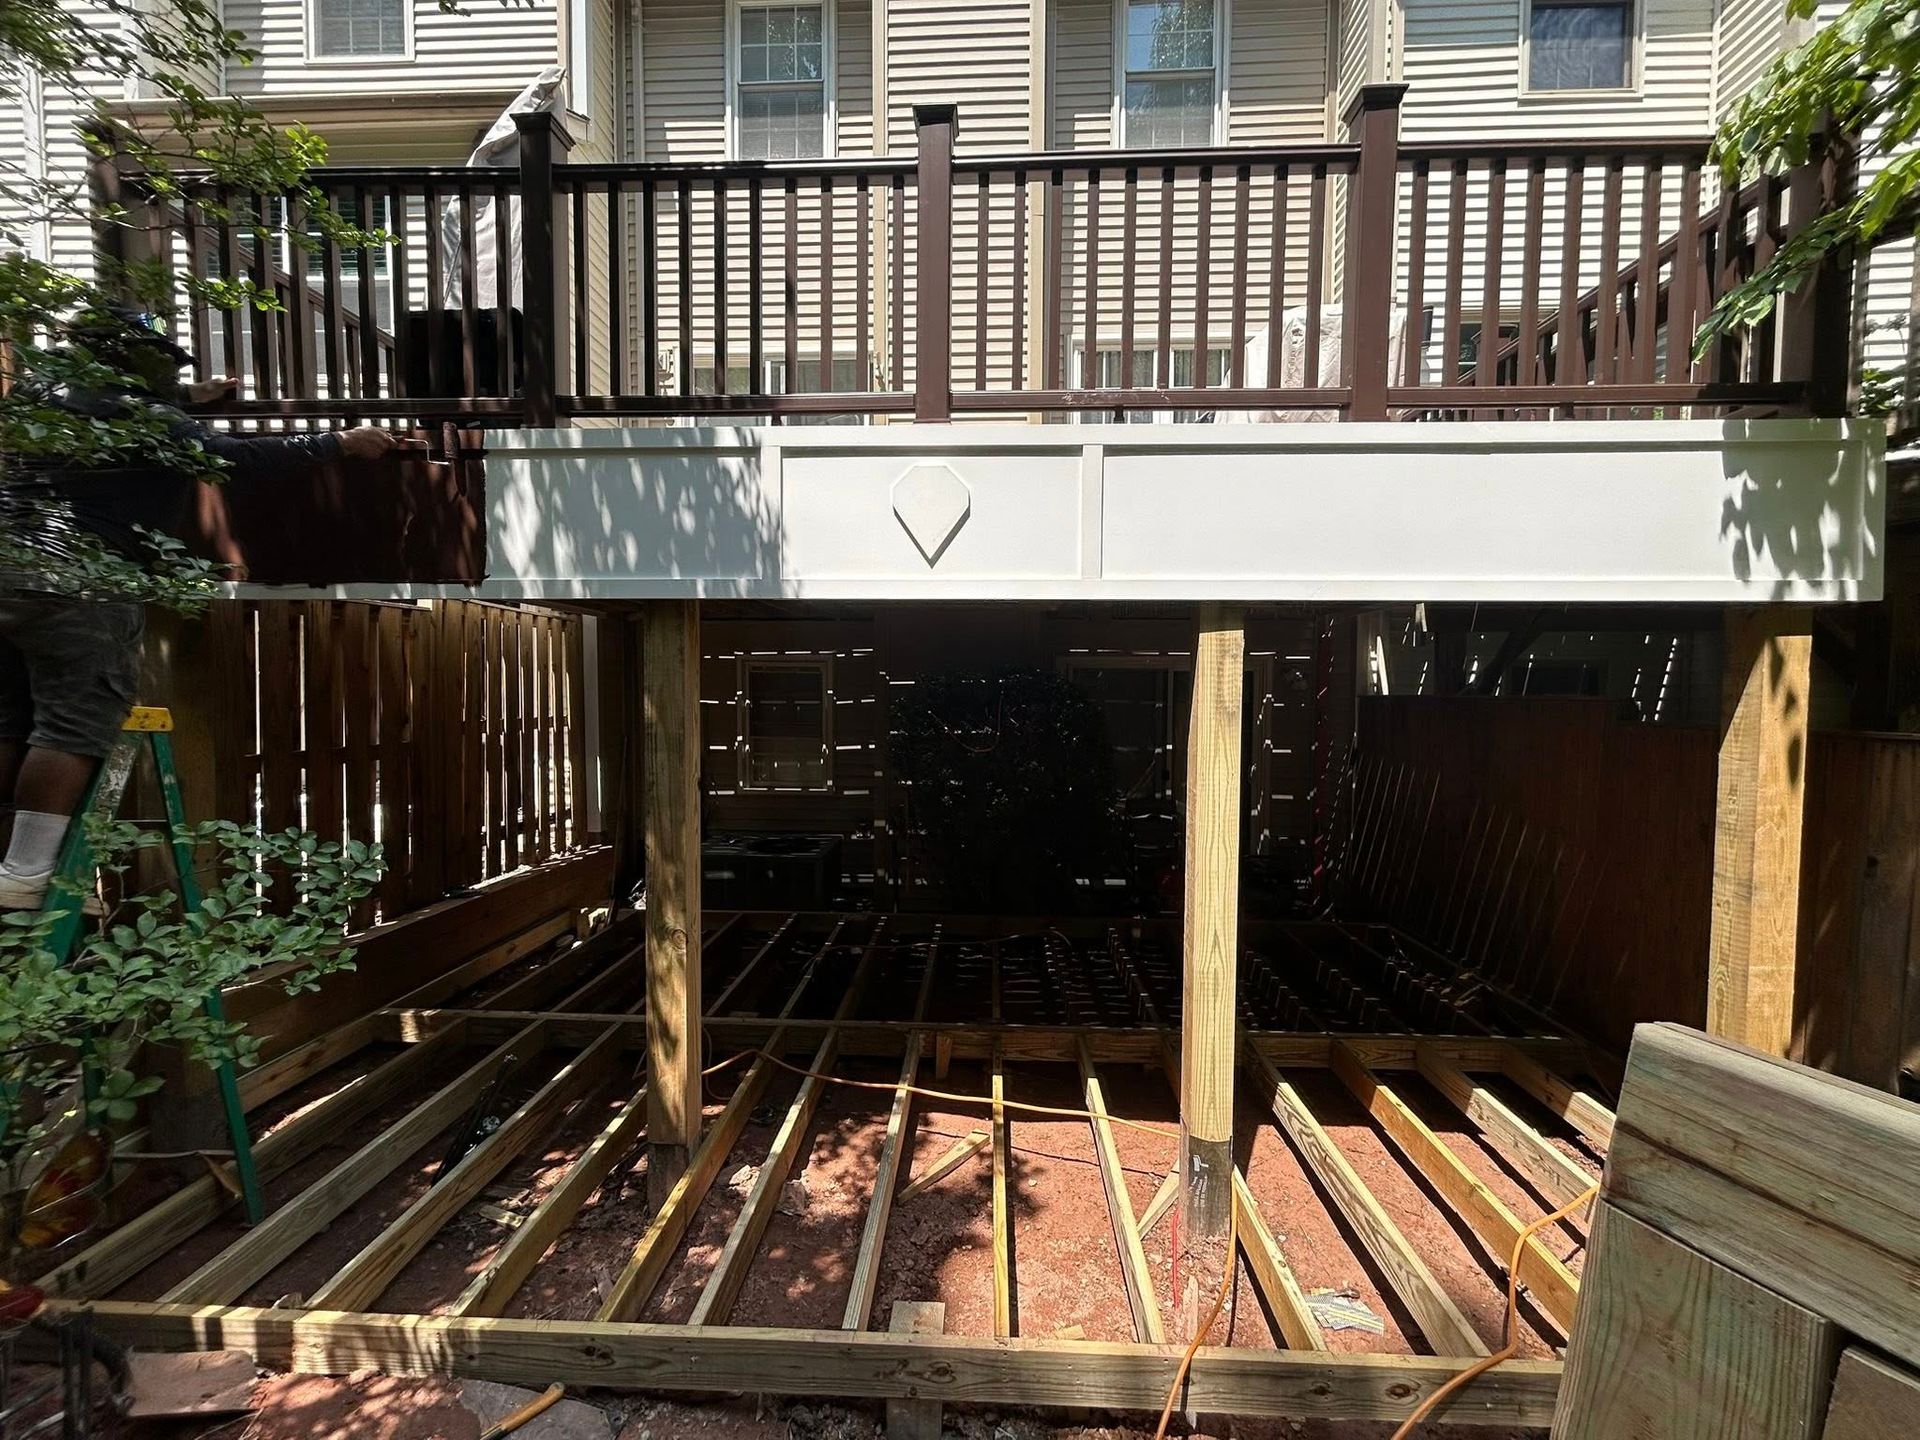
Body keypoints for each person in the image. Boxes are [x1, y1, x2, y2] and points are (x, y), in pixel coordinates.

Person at [0, 305, 404, 909]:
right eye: (158, 362)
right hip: (79, 581)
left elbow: (109, 408)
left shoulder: (36, 397)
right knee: (73, 723)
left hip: (9, 570)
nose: (167, 373)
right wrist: (338, 442)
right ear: (130, 360)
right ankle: (28, 873)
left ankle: (10, 866)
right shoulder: (142, 415)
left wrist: (190, 397)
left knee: (9, 719)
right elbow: (232, 459)